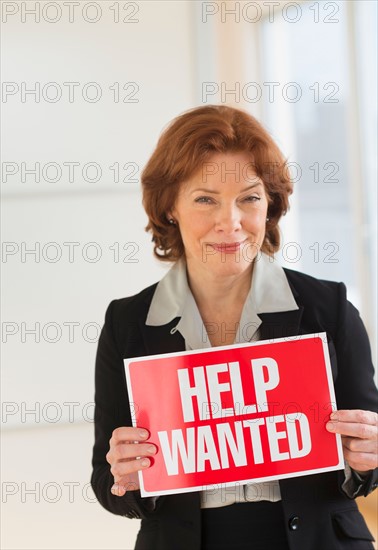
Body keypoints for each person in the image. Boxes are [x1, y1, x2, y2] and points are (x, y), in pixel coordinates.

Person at [91, 105, 378, 550]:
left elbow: (370, 455)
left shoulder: (329, 307)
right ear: (170, 207)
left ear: (270, 205)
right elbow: (107, 483)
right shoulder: (127, 323)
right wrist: (124, 476)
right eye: (205, 199)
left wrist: (367, 457)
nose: (231, 222)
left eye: (250, 197)